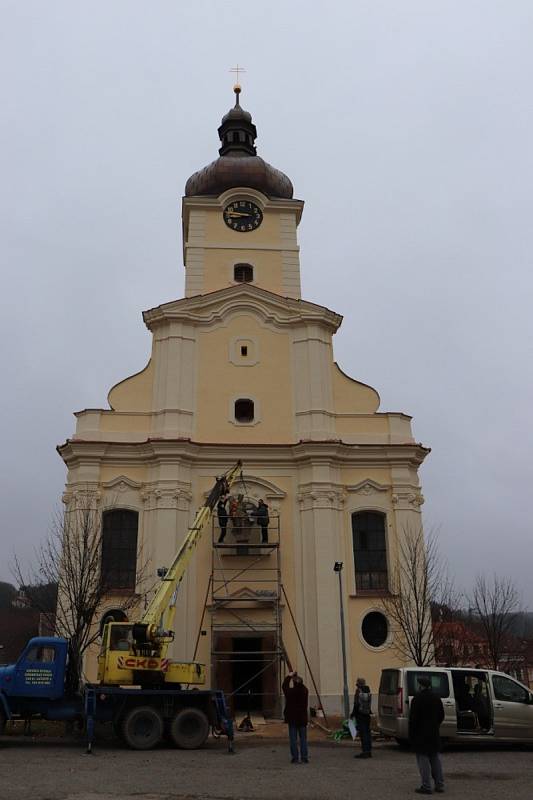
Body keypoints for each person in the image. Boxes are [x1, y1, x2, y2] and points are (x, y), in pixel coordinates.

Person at [408, 675, 445, 795]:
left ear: (420, 685)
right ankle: (439, 784)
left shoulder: (417, 699)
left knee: (423, 761)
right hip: (434, 732)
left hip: (420, 734)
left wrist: (412, 734)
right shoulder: (436, 698)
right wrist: (435, 725)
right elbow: (441, 716)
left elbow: (413, 719)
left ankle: (426, 786)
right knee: (435, 759)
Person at [282, 671, 309, 764]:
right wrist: (296, 677)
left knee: (293, 739)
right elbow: (301, 685)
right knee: (303, 739)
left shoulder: (291, 692)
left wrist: (289, 676)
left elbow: (284, 686)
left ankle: (295, 758)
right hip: (302, 718)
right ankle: (304, 757)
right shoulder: (305, 691)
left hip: (292, 719)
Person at [351, 677, 372, 758]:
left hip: (360, 715)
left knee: (363, 734)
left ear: (358, 684)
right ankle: (369, 750)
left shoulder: (358, 691)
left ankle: (365, 751)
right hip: (367, 714)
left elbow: (356, 704)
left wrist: (353, 714)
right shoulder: (368, 690)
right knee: (367, 732)